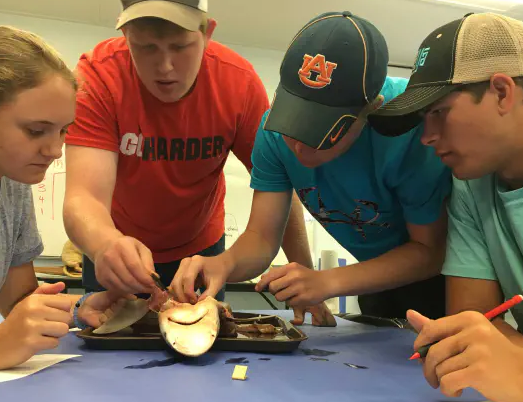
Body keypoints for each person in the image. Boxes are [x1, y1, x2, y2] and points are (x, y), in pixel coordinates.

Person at [171, 11, 452, 323]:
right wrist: (224, 263)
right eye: (295, 125)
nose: (300, 147)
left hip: (448, 282)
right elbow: (262, 238)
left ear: (373, 109)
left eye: (322, 133)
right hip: (375, 275)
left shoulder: (412, 131)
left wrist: (326, 282)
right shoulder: (273, 134)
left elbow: (430, 252)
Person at [63, 0, 317, 316]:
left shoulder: (238, 84)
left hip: (201, 252)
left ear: (207, 32)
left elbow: (277, 184)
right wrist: (104, 245)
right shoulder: (97, 77)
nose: (165, 66)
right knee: (109, 345)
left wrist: (305, 276)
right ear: (125, 33)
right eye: (146, 47)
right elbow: (83, 197)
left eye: (180, 46)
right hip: (116, 248)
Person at [368, 12, 523, 402]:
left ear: (503, 92)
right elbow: (476, 330)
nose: (427, 137)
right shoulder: (471, 183)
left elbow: (497, 351)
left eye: (439, 112)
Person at [0, 26, 130, 371]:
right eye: (36, 131)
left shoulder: (11, 178)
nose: (55, 150)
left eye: (64, 130)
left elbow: (18, 302)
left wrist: (79, 308)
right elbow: (3, 335)